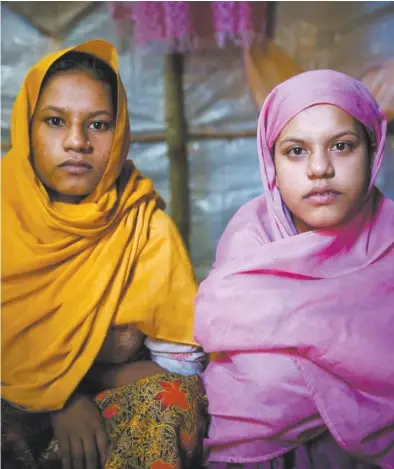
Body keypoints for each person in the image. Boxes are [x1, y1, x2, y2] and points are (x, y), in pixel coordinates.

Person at [1, 40, 208, 469]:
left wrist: (80, 386)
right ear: (26, 128)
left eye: (98, 125)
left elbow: (180, 368)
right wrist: (60, 400)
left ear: (120, 133)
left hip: (107, 414)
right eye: (55, 121)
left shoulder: (144, 226)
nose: (77, 141)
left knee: (175, 399)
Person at [194, 70, 394, 469]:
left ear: (373, 151)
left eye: (342, 146)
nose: (320, 168)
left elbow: (267, 382)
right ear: (271, 165)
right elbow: (240, 391)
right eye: (296, 151)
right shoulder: (248, 246)